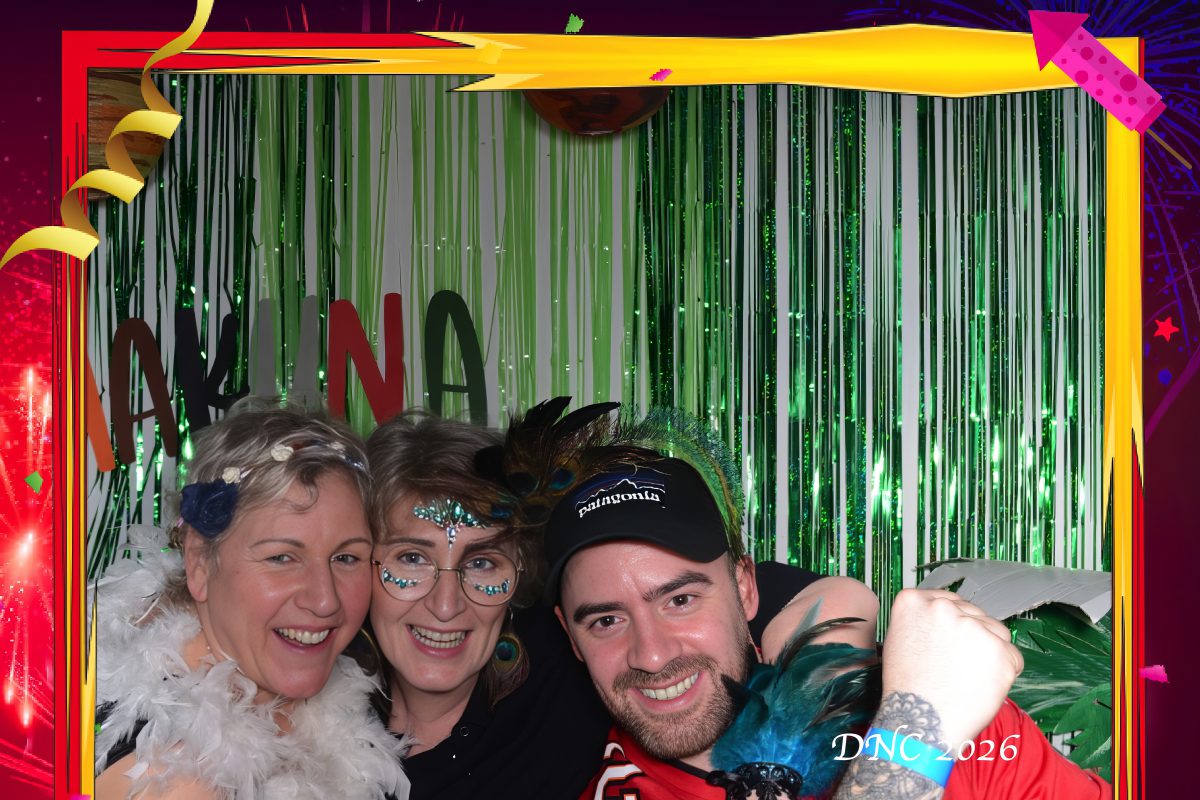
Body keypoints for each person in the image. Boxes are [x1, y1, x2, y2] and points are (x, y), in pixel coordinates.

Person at [364, 404, 878, 799]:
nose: (446, 604)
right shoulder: (323, 711)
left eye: (482, 563)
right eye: (410, 559)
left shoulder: (550, 667)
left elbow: (823, 598)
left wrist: (795, 720)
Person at [545, 450, 1114, 799]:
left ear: (745, 588)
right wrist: (911, 742)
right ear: (570, 637)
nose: (651, 654)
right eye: (607, 620)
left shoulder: (949, 704)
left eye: (680, 600)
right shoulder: (926, 714)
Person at [93, 401, 409, 800]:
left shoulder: (328, 705)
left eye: (346, 558)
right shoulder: (176, 780)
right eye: (281, 558)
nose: (325, 600)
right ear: (200, 562)